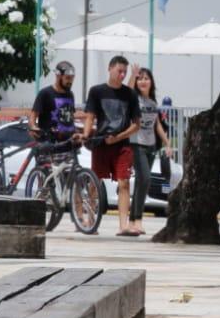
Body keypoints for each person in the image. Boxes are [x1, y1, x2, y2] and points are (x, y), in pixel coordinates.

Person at [82, 55, 141, 236]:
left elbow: (136, 124)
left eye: (124, 72)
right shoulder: (96, 91)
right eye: (119, 71)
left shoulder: (130, 94)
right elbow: (90, 117)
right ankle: (90, 219)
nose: (122, 75)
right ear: (110, 69)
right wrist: (85, 136)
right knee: (95, 182)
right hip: (101, 142)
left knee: (124, 183)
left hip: (122, 145)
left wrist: (119, 137)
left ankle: (123, 225)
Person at [129, 67, 171, 236]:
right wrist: (133, 75)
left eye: (146, 78)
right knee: (145, 178)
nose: (143, 81)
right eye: (141, 79)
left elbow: (157, 125)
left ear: (151, 82)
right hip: (136, 144)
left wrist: (167, 144)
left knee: (141, 183)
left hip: (151, 146)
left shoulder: (153, 103)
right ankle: (138, 219)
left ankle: (132, 221)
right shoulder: (134, 99)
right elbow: (128, 90)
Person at [29, 60, 80, 145]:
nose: (70, 82)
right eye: (67, 78)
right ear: (58, 76)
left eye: (72, 78)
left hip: (68, 144)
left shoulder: (70, 94)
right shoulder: (45, 93)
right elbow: (33, 116)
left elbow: (70, 118)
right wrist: (33, 127)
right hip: (49, 144)